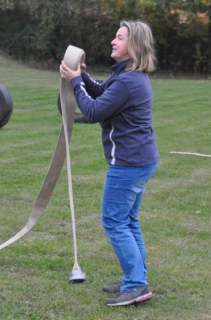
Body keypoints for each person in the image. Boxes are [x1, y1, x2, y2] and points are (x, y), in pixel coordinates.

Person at [59, 20, 159, 307]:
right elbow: (103, 92)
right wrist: (83, 77)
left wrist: (75, 82)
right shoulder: (128, 76)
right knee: (128, 220)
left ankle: (136, 284)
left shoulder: (128, 81)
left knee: (114, 221)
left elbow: (92, 111)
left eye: (119, 38)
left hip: (128, 164)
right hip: (141, 161)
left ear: (134, 46)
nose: (113, 42)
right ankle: (136, 277)